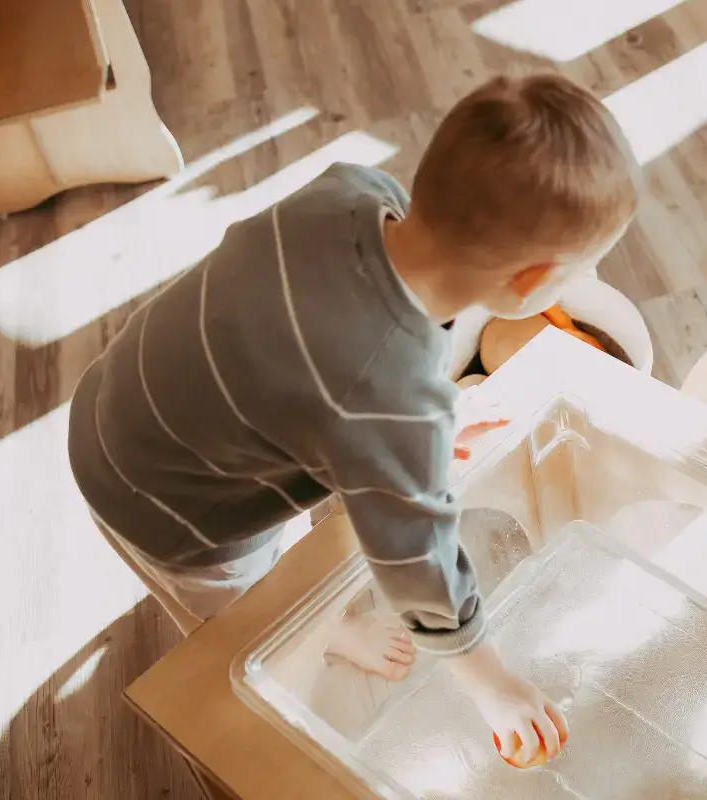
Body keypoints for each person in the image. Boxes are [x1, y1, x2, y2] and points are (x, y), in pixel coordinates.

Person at [67, 73, 641, 766]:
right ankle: (330, 627)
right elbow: (418, 565)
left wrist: (420, 422)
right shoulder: (384, 396)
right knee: (243, 614)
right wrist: (493, 685)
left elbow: (312, 346)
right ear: (530, 281)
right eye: (585, 268)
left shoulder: (353, 191)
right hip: (171, 503)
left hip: (123, 398)